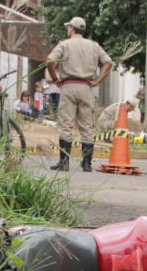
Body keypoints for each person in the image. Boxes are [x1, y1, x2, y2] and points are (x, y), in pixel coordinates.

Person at [46, 16, 113, 172]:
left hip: (68, 86)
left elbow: (49, 61)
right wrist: (97, 81)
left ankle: (64, 162)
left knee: (66, 125)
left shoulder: (64, 44)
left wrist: (55, 79)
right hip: (85, 87)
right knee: (87, 126)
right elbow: (108, 62)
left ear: (71, 28)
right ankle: (87, 163)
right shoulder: (94, 46)